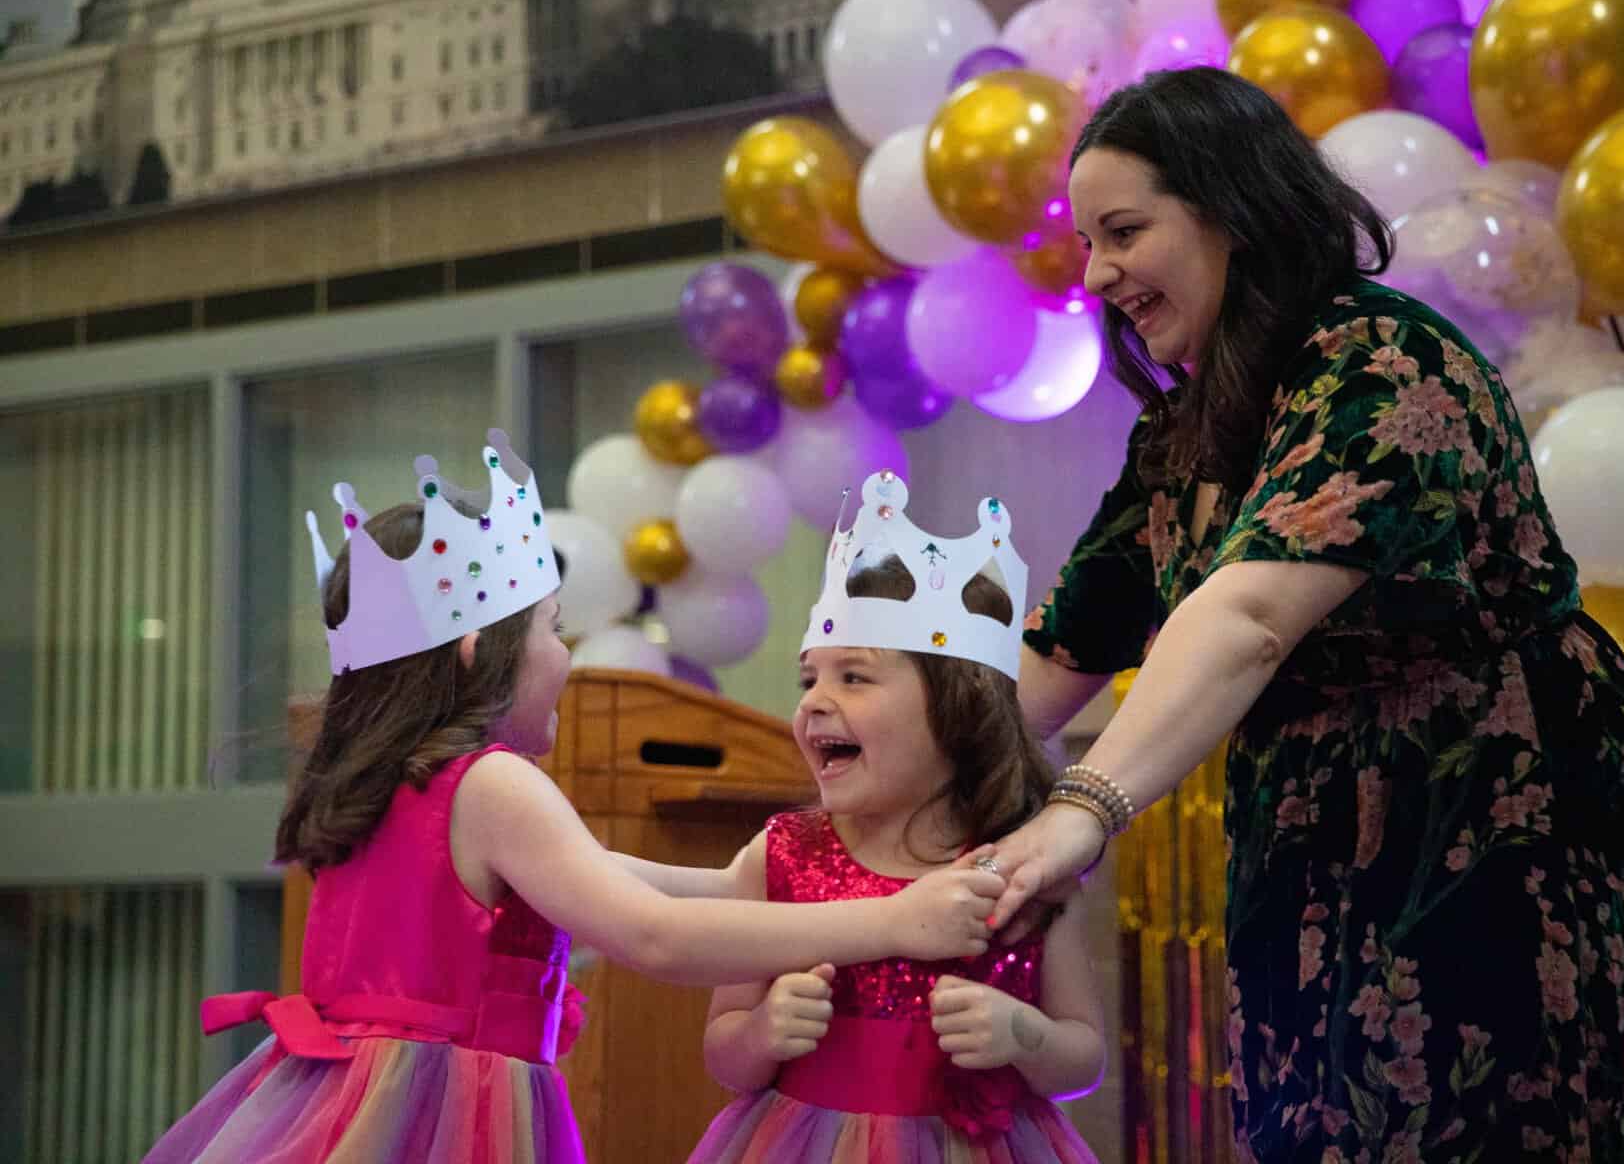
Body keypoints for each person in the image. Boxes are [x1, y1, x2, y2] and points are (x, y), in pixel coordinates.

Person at [985, 69, 1624, 1162]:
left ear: (1232, 206)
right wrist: (895, 776)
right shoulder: (1189, 426)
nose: (1100, 273)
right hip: (1316, 839)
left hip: (1492, 811)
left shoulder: (1378, 358)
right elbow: (1062, 646)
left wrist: (1081, 808)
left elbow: (1254, 611)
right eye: (1089, 242)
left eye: (1124, 231)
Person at [143, 432, 1003, 1164]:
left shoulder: (385, 785)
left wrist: (772, 876)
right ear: (480, 652)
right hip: (444, 1114)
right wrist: (896, 922)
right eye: (556, 629)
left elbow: (598, 874)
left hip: (344, 1101)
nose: (569, 656)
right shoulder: (491, 783)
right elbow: (649, 934)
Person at [688, 477, 1105, 1163]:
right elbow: (724, 1052)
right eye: (809, 679)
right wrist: (762, 1032)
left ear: (956, 711)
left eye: (853, 677)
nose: (815, 702)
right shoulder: (781, 856)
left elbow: (1082, 1056)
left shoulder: (1023, 868)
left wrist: (1022, 1035)